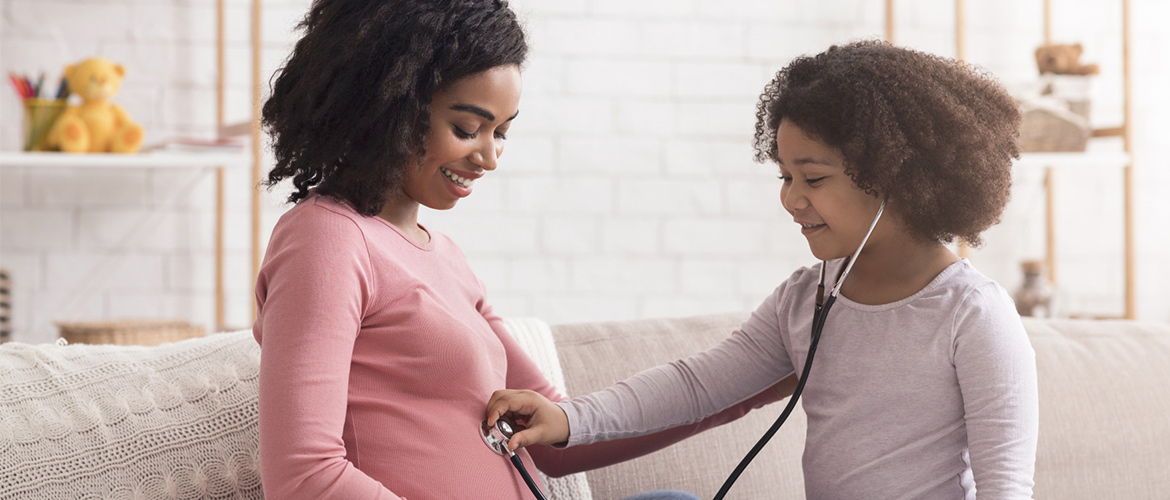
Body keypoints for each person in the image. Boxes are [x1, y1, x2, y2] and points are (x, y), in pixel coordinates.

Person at [253, 1, 781, 499]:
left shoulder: (447, 260)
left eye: (501, 132)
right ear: (385, 105)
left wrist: (760, 382)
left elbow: (557, 433)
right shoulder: (326, 239)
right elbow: (304, 476)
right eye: (467, 128)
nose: (489, 157)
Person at [487, 40, 1040, 499]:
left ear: (896, 175)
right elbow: (696, 385)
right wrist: (568, 420)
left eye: (813, 179)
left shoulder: (973, 314)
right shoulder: (806, 299)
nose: (791, 200)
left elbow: (1005, 486)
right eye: (784, 177)